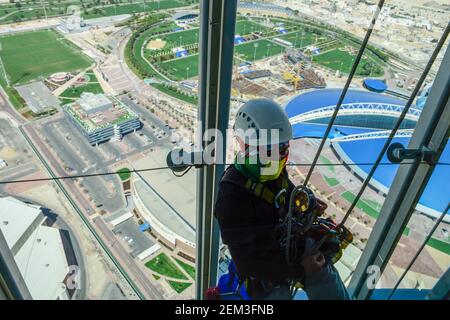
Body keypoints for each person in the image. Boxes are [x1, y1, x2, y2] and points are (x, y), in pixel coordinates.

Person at [214, 99, 350, 300]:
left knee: (324, 271)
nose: (278, 157)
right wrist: (300, 270)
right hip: (261, 266)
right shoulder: (231, 196)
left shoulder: (269, 169)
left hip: (284, 243)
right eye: (271, 150)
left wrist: (306, 201)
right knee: (277, 295)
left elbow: (284, 191)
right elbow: (247, 264)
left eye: (283, 148)